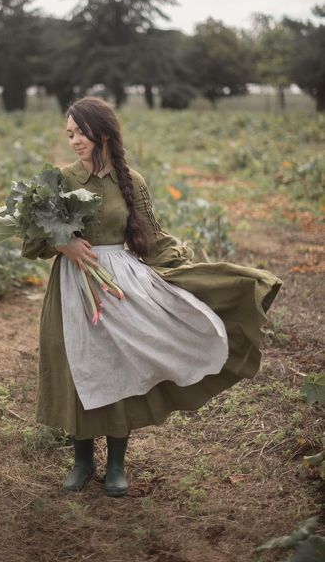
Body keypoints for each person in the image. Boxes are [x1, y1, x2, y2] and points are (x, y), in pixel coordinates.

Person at [21, 96, 282, 498]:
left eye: (80, 132)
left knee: (122, 364)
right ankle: (82, 462)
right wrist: (64, 244)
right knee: (81, 367)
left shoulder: (132, 180)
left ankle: (117, 466)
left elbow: (152, 238)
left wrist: (186, 271)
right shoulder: (58, 180)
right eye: (68, 133)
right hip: (74, 284)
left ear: (103, 132)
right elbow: (32, 239)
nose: (73, 140)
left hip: (119, 282)